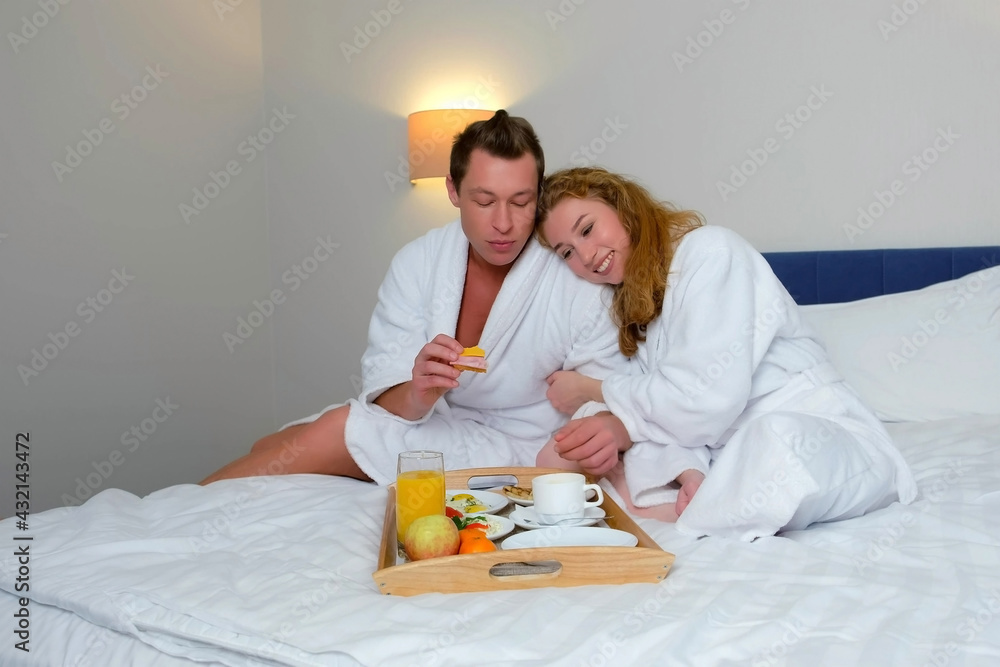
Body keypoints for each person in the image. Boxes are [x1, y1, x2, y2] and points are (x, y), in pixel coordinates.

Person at [200, 112, 631, 486]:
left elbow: (607, 396)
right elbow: (386, 388)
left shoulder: (570, 274)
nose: (503, 223)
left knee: (334, 430)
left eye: (521, 202)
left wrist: (598, 428)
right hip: (438, 423)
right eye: (484, 201)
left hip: (525, 445)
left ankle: (185, 509)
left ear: (537, 197)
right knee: (271, 445)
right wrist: (420, 390)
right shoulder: (419, 263)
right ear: (453, 191)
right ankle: (190, 508)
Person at [534, 166, 917, 540]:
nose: (584, 256)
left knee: (774, 443)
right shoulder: (637, 307)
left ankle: (695, 510)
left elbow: (700, 404)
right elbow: (670, 411)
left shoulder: (711, 252)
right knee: (565, 454)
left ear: (624, 208)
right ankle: (707, 500)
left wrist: (592, 389)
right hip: (726, 454)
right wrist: (688, 470)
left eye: (587, 229)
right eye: (566, 252)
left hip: (819, 429)